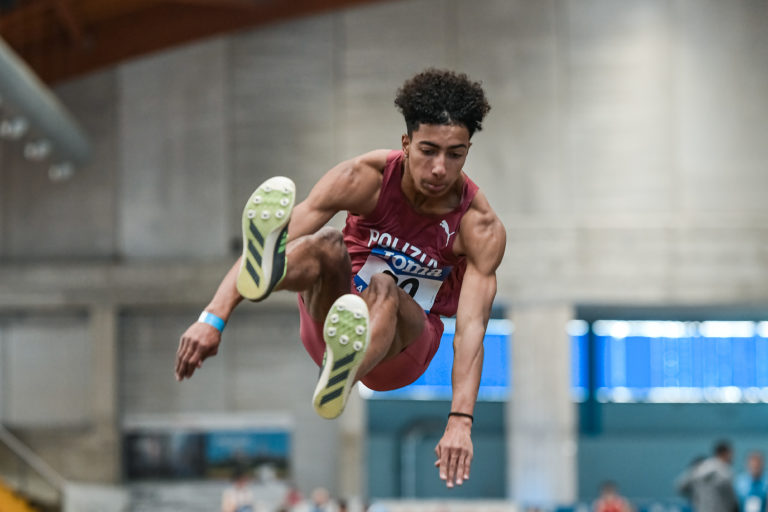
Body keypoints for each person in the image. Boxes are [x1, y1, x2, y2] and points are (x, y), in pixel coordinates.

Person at [175, 68, 506, 488]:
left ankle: (344, 370)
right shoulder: (365, 179)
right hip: (331, 319)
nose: (440, 168)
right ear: (406, 144)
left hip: (402, 351)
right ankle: (274, 274)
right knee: (325, 243)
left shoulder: (478, 226)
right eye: (428, 150)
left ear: (467, 151)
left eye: (455, 154)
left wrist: (460, 420)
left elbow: (472, 329)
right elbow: (294, 229)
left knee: (385, 286)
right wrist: (213, 318)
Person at [676, 440, 738, 512]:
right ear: (725, 453)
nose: (732, 457)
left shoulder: (699, 468)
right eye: (731, 454)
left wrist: (695, 496)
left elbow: (680, 486)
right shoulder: (725, 472)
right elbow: (732, 500)